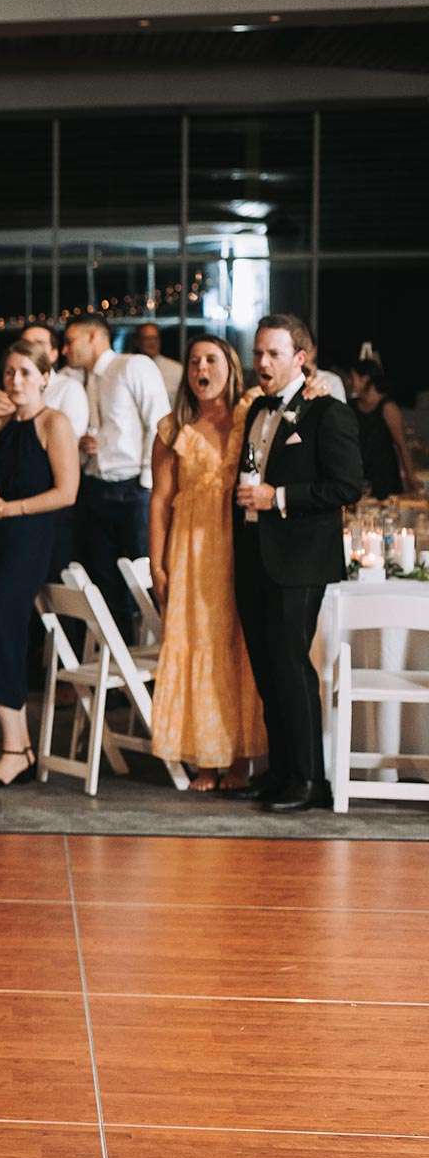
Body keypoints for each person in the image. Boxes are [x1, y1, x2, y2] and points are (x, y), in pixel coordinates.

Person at [228, 314, 362, 813]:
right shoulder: (255, 411)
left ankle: (310, 780)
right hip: (254, 554)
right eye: (258, 352)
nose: (261, 362)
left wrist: (276, 496)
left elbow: (346, 487)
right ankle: (281, 772)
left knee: (291, 666)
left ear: (300, 359)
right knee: (267, 668)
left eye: (274, 354)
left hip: (299, 559)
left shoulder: (328, 413)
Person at [148, 336, 267, 792]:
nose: (202, 367)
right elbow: (159, 503)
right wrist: (157, 566)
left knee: (239, 645)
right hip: (192, 552)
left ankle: (240, 758)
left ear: (230, 368)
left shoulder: (250, 414)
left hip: (241, 545)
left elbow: (300, 389)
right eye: (195, 361)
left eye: (211, 359)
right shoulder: (172, 429)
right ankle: (207, 759)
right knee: (200, 645)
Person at [0, 339, 80, 789]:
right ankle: (21, 748)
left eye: (26, 373)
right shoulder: (4, 427)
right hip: (0, 543)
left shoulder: (55, 423)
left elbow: (66, 493)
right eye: (10, 372)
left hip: (33, 541)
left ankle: (15, 752)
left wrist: (10, 510)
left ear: (46, 378)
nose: (16, 381)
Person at [65, 314, 171, 642]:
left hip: (132, 491)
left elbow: (160, 423)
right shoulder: (84, 380)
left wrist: (146, 486)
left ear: (95, 337)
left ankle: (157, 672)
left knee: (144, 583)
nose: (65, 348)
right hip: (96, 488)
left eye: (71, 341)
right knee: (106, 584)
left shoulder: (132, 366)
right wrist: (87, 445)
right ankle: (119, 674)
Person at [347, 361, 415, 499]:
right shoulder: (351, 406)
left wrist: (410, 478)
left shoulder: (387, 407)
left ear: (365, 379)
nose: (350, 382)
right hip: (360, 476)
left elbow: (402, 445)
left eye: (353, 377)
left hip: (385, 476)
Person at [133, 322, 184, 403]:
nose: (152, 342)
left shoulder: (177, 370)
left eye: (155, 338)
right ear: (137, 342)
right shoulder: (130, 369)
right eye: (147, 338)